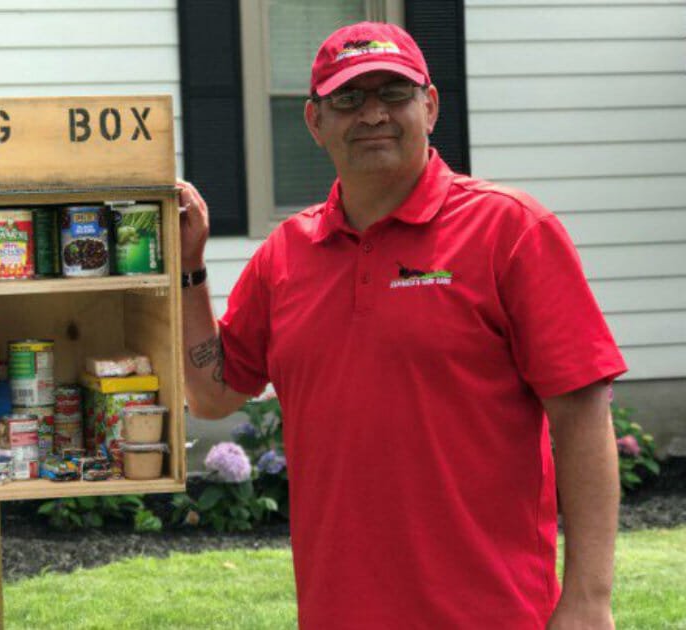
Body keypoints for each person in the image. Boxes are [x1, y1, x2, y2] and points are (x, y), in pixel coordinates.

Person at [178, 22, 626, 629]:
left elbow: (582, 415)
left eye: (393, 93)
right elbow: (212, 393)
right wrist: (188, 268)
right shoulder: (285, 255)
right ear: (315, 121)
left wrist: (588, 601)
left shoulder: (511, 232)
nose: (372, 115)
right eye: (348, 98)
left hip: (493, 613)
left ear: (430, 106)